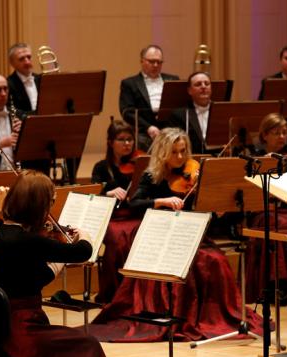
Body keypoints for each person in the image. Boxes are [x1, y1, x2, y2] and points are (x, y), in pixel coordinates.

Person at [90, 128, 263, 342]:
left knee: (216, 260)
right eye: (174, 152)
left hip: (189, 233)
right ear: (163, 152)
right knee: (193, 266)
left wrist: (217, 210)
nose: (180, 157)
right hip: (162, 235)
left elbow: (206, 213)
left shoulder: (194, 174)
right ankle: (182, 314)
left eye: (183, 151)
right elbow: (134, 203)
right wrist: (161, 201)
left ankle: (214, 315)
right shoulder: (152, 176)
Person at [0, 170, 120, 357]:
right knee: (88, 344)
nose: (51, 208)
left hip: (3, 328)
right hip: (23, 334)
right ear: (37, 205)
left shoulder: (3, 233)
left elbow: (36, 277)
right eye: (50, 201)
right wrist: (85, 235)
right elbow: (82, 252)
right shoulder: (28, 240)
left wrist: (55, 257)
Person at [91, 118, 144, 302]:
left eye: (130, 139)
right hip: (111, 219)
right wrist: (107, 193)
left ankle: (139, 294)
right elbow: (92, 198)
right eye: (122, 139)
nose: (127, 144)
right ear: (110, 142)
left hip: (135, 215)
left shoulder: (140, 164)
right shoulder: (101, 168)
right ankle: (114, 294)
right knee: (118, 242)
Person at [119, 45, 179, 151]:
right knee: (140, 141)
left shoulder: (173, 80)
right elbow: (127, 111)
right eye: (151, 61)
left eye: (159, 62)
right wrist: (148, 127)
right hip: (143, 130)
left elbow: (179, 105)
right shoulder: (130, 83)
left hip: (169, 127)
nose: (155, 65)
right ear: (142, 61)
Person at [168, 71, 212, 154]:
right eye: (198, 84)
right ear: (189, 90)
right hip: (191, 160)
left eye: (207, 83)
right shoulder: (179, 115)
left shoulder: (222, 110)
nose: (203, 86)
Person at [7, 43, 40, 113]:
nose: (27, 62)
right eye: (21, 59)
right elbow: (10, 110)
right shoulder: (7, 84)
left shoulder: (42, 80)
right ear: (12, 63)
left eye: (29, 57)